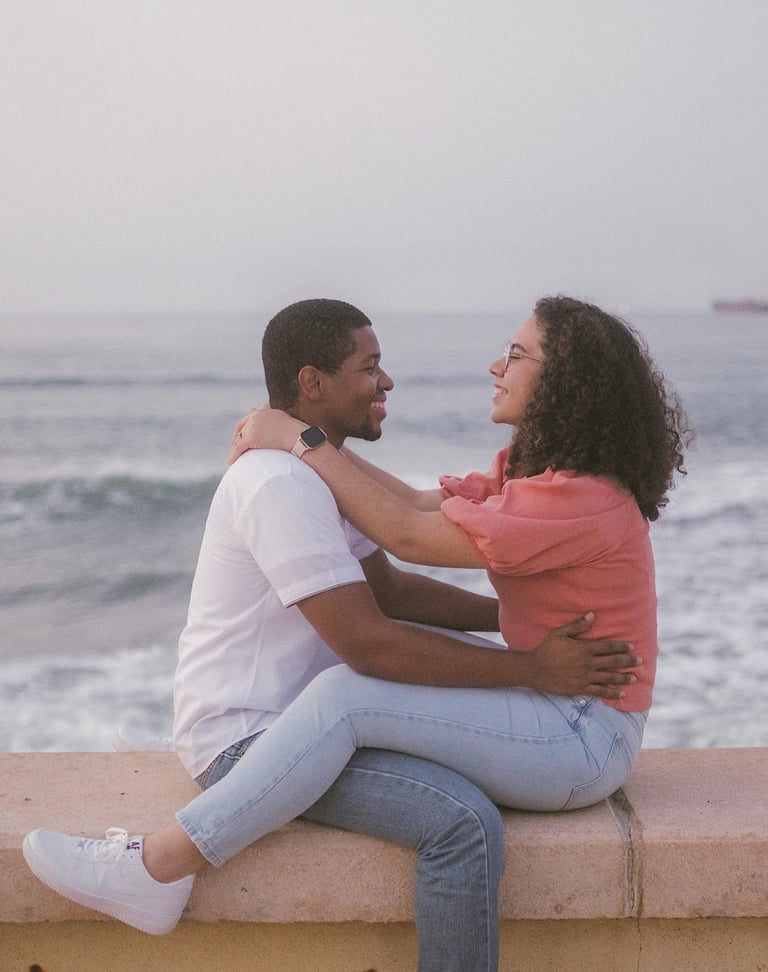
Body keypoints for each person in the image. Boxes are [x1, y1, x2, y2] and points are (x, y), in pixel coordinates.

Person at [23, 297, 649, 972]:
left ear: (568, 382)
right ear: (313, 382)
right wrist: (527, 648)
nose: (495, 366)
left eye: (517, 355)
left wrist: (303, 441)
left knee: (361, 709)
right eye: (370, 367)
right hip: (261, 732)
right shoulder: (288, 482)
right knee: (356, 701)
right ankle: (155, 867)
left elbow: (403, 555)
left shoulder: (570, 492)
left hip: (576, 726)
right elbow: (405, 529)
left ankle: (158, 864)